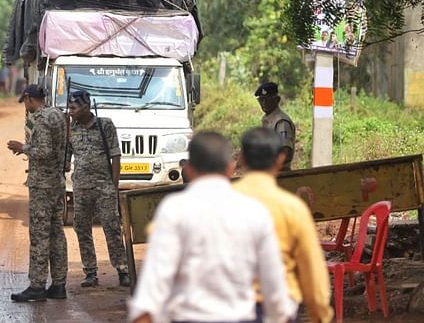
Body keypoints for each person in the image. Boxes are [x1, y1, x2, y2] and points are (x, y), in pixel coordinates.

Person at [128, 131, 292, 323]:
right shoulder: (254, 211)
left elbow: (153, 288)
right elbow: (275, 288)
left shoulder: (173, 210)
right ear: (231, 169)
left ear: (188, 170)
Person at [233, 127, 333, 323]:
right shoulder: (292, 208)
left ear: (242, 158)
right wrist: (321, 315)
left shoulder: (220, 203)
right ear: (280, 159)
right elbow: (312, 272)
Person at [6, 85, 68, 302]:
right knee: (56, 234)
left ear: (30, 98)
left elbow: (44, 151)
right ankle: (59, 284)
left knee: (40, 235)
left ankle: (37, 286)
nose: (26, 106)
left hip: (42, 186)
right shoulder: (58, 116)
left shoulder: (42, 119)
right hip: (57, 183)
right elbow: (63, 148)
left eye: (25, 102)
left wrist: (22, 147)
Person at [66, 90, 130, 288]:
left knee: (111, 228)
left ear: (85, 107)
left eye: (73, 108)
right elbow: (66, 160)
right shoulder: (71, 128)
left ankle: (122, 270)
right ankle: (90, 272)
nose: (70, 112)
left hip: (104, 188)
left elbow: (115, 155)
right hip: (81, 188)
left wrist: (114, 185)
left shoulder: (105, 125)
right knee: (82, 229)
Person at [255, 82, 296, 171]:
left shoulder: (281, 122)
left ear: (277, 100)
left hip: (280, 174)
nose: (264, 103)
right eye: (261, 100)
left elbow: (285, 153)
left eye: (267, 99)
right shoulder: (268, 120)